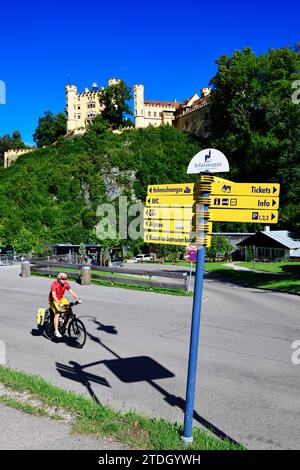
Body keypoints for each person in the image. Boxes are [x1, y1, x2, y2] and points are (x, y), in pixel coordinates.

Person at [48, 272, 81, 338]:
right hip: (53, 300)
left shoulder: (66, 284)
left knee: (68, 311)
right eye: (63, 279)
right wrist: (58, 303)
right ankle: (56, 331)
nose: (65, 280)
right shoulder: (54, 284)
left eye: (65, 279)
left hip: (61, 299)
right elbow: (53, 295)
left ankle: (64, 326)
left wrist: (77, 298)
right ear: (59, 279)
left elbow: (71, 291)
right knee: (58, 313)